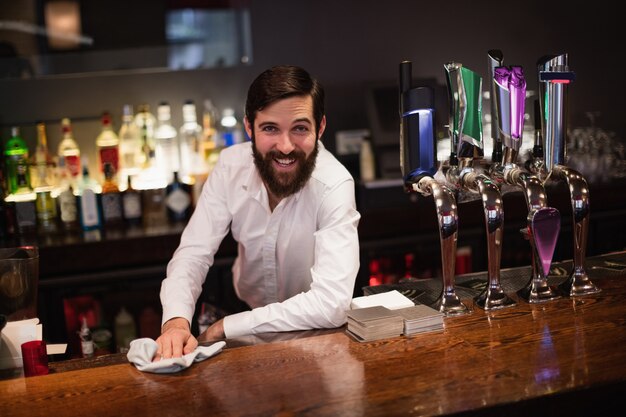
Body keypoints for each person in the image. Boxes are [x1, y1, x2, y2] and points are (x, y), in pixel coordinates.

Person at [155, 65, 361, 359]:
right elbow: (193, 254)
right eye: (270, 128)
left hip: (315, 334)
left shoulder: (334, 184)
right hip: (243, 312)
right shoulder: (230, 167)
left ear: (321, 127)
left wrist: (226, 327)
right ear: (249, 127)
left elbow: (332, 304)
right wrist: (175, 322)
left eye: (300, 128)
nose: (286, 146)